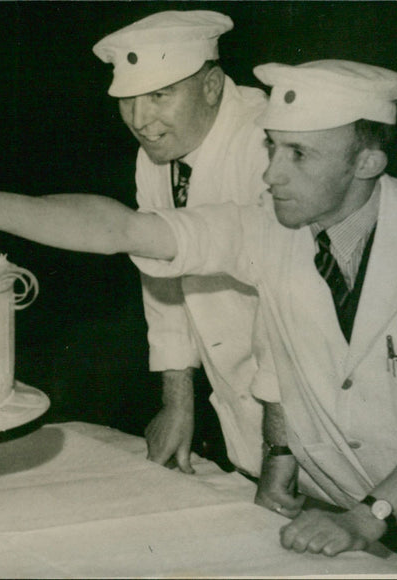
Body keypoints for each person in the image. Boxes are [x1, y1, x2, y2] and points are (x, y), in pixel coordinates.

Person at [0, 58, 397, 560]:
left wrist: (370, 517)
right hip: (339, 507)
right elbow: (125, 229)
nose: (272, 175)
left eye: (299, 156)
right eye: (272, 148)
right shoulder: (273, 228)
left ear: (367, 163)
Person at [92, 10, 272, 476]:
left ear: (211, 86)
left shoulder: (267, 141)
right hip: (241, 403)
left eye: (159, 95)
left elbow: (293, 304)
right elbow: (161, 272)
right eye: (127, 100)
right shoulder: (158, 149)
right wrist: (178, 403)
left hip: (307, 405)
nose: (139, 120)